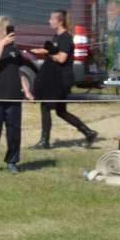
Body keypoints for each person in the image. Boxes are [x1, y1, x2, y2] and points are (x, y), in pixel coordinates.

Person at [30, 9, 99, 149]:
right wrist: (44, 51)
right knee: (61, 111)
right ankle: (88, 132)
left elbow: (62, 58)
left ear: (59, 21)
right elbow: (54, 51)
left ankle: (44, 141)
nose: (49, 21)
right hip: (55, 77)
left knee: (45, 106)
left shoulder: (66, 37)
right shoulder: (56, 36)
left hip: (60, 79)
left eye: (51, 19)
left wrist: (47, 54)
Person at [0, 16, 34, 176]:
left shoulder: (13, 49)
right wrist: (2, 44)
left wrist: (27, 91)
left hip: (13, 97)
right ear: (0, 30)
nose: (12, 32)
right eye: (8, 29)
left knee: (14, 131)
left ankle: (12, 161)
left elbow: (18, 71)